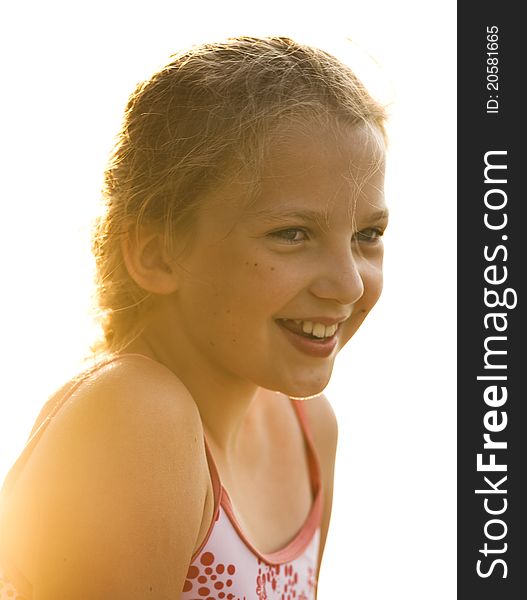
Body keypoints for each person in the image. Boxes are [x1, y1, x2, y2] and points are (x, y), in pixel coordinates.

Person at [0, 36, 388, 599]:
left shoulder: (308, 430)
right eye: (292, 234)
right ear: (157, 252)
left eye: (367, 236)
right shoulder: (137, 414)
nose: (349, 283)